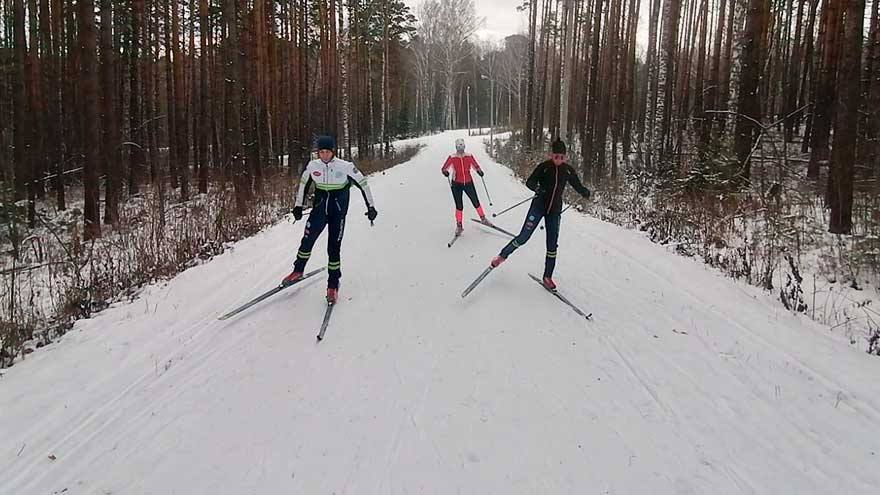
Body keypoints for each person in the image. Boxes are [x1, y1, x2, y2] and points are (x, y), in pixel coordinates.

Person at [282, 135, 378, 303]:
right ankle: (298, 270)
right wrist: (298, 206)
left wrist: (370, 207)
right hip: (319, 211)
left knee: (333, 248)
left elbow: (363, 184)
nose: (324, 155)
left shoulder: (346, 166)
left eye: (327, 152)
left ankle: (332, 285)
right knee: (307, 240)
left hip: (337, 213)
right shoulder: (313, 166)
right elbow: (303, 185)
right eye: (321, 152)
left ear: (333, 151)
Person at [489, 137, 590, 290]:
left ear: (565, 157)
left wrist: (584, 191)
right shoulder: (544, 167)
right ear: (550, 155)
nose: (558, 160)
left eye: (562, 157)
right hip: (538, 207)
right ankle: (502, 256)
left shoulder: (568, 170)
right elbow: (530, 182)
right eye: (556, 156)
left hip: (554, 211)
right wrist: (538, 189)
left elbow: (577, 185)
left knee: (552, 245)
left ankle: (547, 276)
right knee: (523, 237)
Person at [442, 138, 490, 235]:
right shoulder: (452, 157)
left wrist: (479, 171)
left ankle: (483, 218)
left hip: (468, 182)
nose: (461, 149)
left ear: (464, 146)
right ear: (456, 147)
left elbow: (475, 165)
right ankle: (459, 225)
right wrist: (445, 172)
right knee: (459, 205)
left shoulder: (469, 156)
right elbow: (444, 168)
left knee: (475, 201)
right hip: (456, 184)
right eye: (459, 147)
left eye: (462, 147)